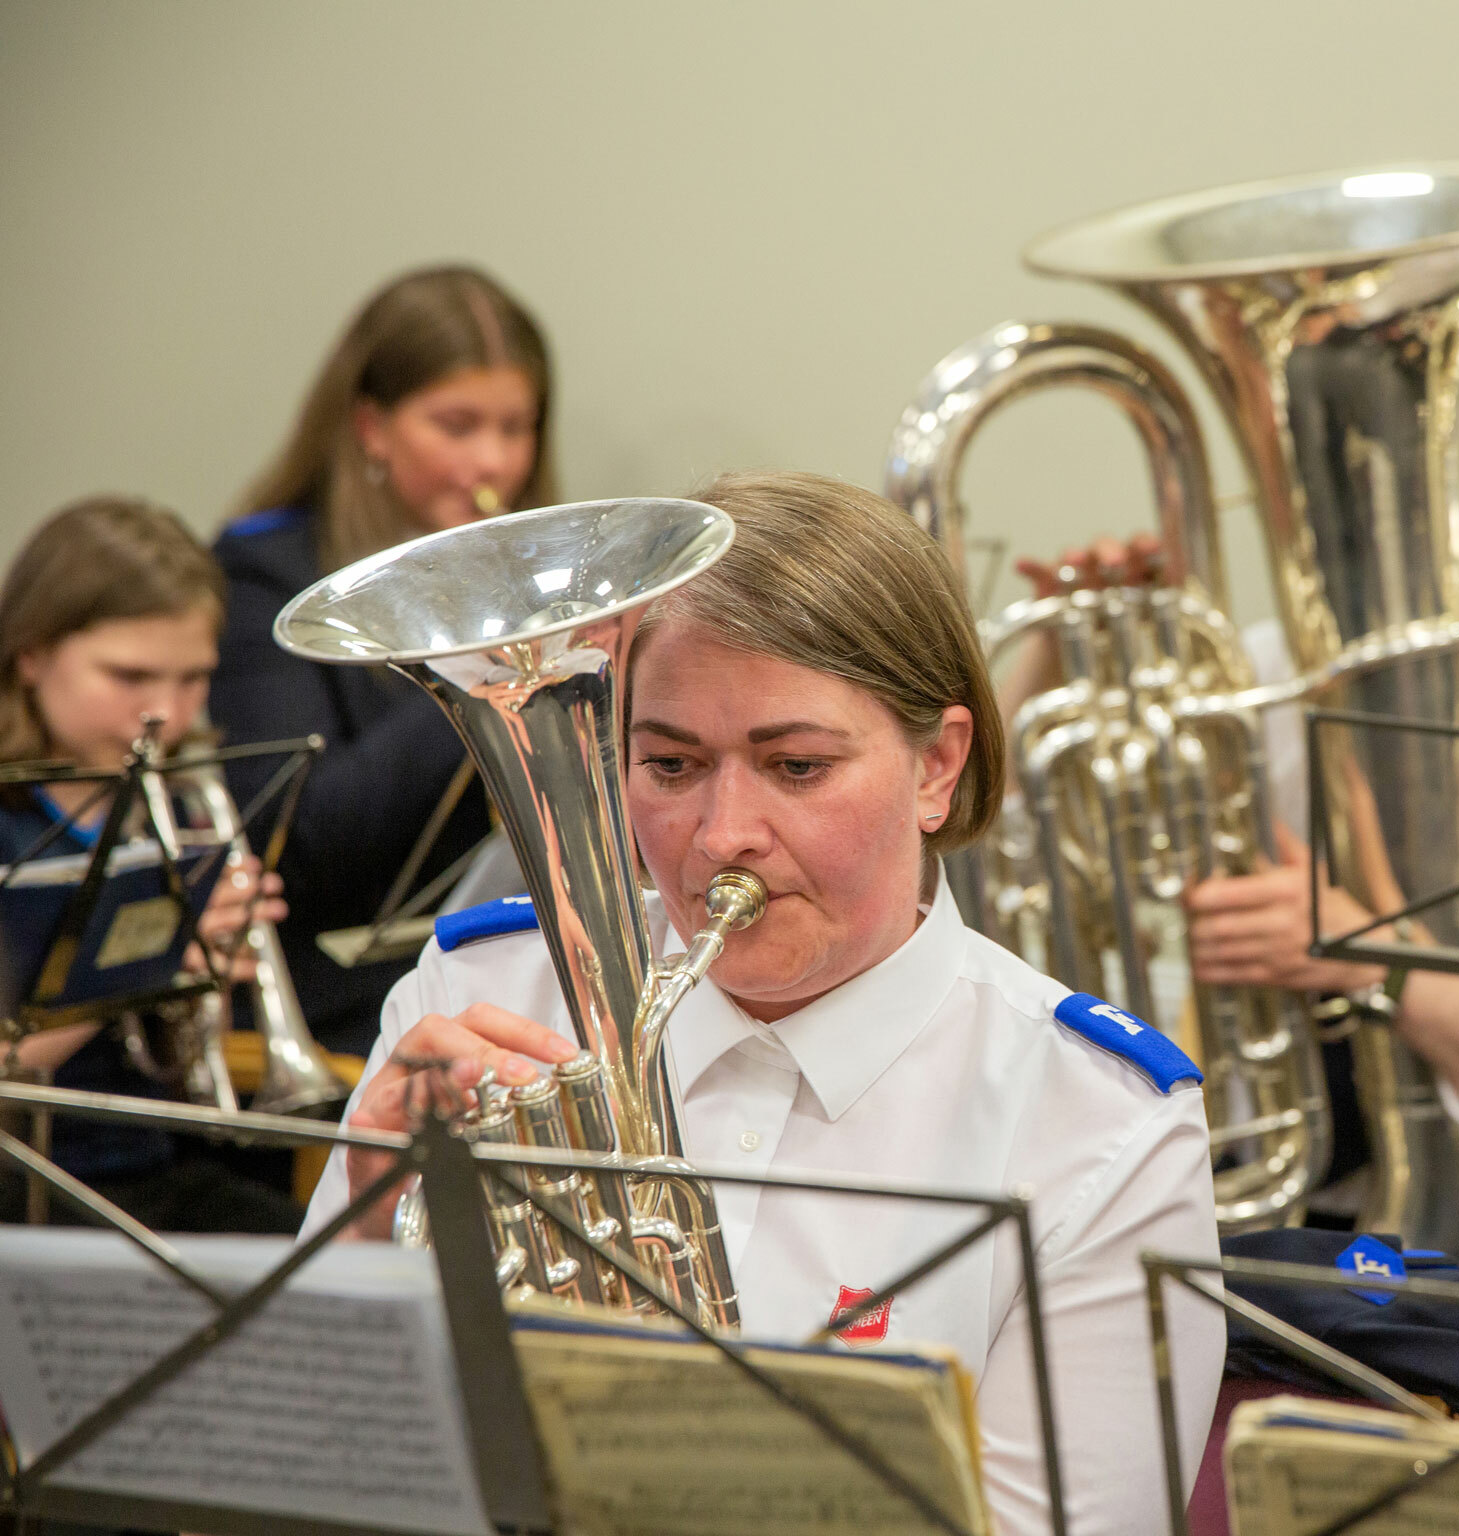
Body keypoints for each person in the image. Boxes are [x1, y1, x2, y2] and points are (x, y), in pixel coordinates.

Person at [300, 471, 1225, 1533]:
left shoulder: (1100, 1126)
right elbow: (274, 1467)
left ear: (937, 766)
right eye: (669, 763)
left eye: (795, 765)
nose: (722, 833)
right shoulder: (481, 990)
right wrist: (366, 1227)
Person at [1155, 335, 1459, 1289]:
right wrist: (1085, 645)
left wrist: (1362, 953)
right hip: (1272, 1212)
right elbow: (1019, 816)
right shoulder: (1269, 679)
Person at [208, 265, 558, 1058]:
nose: (493, 463)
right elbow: (303, 836)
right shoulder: (265, 577)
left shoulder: (531, 569)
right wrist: (479, 665)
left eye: (515, 427)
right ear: (372, 428)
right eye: (457, 426)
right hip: (336, 994)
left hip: (501, 966)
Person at [0, 495, 301, 1233]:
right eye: (130, 678)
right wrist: (147, 963)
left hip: (150, 1174)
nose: (166, 713)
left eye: (194, 678)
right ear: (32, 654)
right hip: (27, 1188)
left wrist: (205, 972)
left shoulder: (179, 804)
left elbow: (176, 1072)